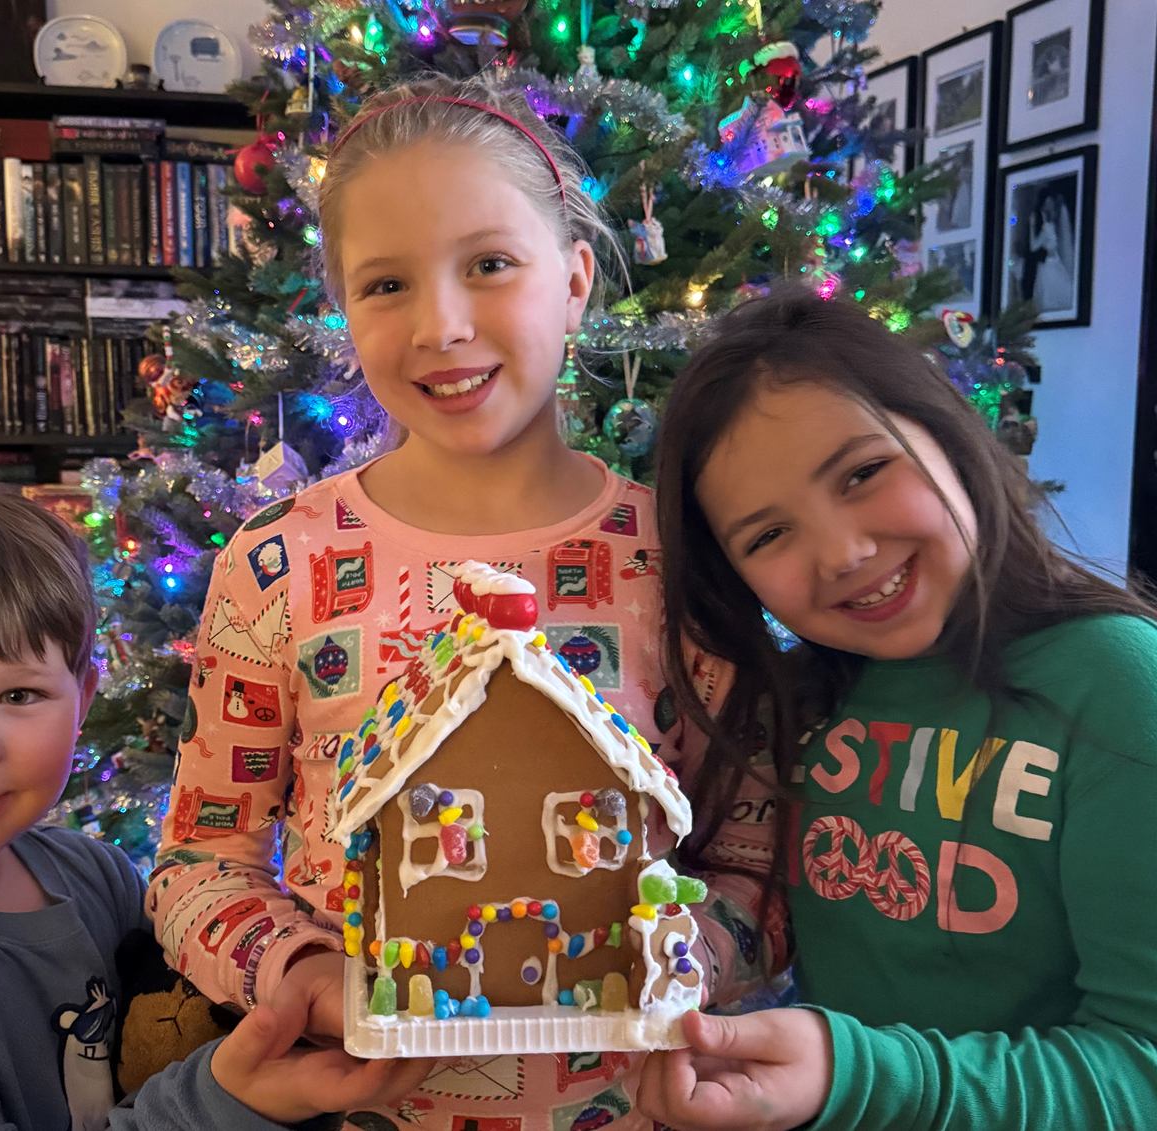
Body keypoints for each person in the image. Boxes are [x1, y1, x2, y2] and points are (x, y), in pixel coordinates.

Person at [148, 74, 787, 1129]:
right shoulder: (278, 563)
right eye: (385, 285)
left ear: (576, 279)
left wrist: (685, 960)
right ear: (344, 308)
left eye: (490, 265)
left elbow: (753, 847)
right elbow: (200, 859)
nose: (441, 326)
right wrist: (297, 972)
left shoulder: (676, 555)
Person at [637, 287, 1157, 1130]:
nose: (843, 554)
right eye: (766, 536)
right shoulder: (794, 705)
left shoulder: (1122, 687)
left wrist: (854, 1073)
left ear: (947, 436)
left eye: (863, 472)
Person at [0, 477, 429, 1131]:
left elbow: (173, 1030)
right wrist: (230, 1102)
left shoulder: (92, 876)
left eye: (18, 695)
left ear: (84, 700)